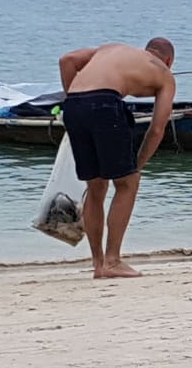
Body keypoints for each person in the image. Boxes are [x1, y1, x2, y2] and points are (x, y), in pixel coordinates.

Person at [58, 38, 177, 279]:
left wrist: (75, 101)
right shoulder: (164, 74)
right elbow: (157, 130)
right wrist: (137, 166)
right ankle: (112, 261)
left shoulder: (111, 48)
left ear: (145, 51)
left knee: (96, 186)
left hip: (73, 105)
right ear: (169, 60)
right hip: (104, 104)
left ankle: (98, 264)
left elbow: (67, 60)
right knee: (127, 184)